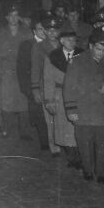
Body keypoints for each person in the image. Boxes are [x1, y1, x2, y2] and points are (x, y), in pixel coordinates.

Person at [63, 29, 104, 184]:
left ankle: (102, 174)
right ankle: (88, 171)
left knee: (103, 145)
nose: (101, 53)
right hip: (84, 111)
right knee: (84, 144)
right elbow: (69, 87)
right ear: (91, 46)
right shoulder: (77, 61)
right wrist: (71, 110)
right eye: (98, 49)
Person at [43, 27, 84, 169]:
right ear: (61, 41)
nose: (71, 42)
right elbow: (48, 80)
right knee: (64, 128)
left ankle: (81, 156)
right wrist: (49, 100)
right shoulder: (52, 57)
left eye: (74, 40)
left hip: (79, 95)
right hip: (60, 94)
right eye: (68, 40)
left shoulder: (83, 55)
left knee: (78, 126)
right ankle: (72, 157)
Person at [0, 5, 31, 139]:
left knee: (23, 101)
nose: (13, 18)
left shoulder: (27, 32)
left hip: (23, 72)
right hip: (6, 72)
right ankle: (6, 129)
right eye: (11, 15)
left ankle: (24, 132)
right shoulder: (0, 33)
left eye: (16, 15)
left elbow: (31, 53)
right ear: (6, 17)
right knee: (6, 102)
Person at [32, 18, 64, 157]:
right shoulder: (38, 47)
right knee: (50, 119)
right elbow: (35, 69)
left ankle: (66, 144)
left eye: (55, 30)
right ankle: (54, 147)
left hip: (63, 87)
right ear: (44, 31)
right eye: (49, 30)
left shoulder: (64, 45)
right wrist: (35, 89)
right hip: (46, 87)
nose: (52, 32)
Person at [17, 18, 49, 150]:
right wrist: (27, 89)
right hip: (34, 85)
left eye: (45, 29)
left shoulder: (53, 43)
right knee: (39, 115)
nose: (44, 32)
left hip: (49, 84)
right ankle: (44, 141)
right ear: (34, 31)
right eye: (41, 29)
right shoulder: (27, 45)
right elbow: (22, 68)